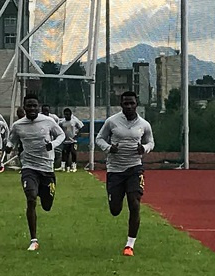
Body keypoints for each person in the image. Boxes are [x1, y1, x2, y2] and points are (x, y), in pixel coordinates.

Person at [96, 91, 155, 257]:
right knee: (115, 209)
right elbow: (99, 138)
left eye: (132, 103)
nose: (129, 106)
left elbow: (151, 141)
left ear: (136, 104)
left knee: (134, 203)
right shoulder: (112, 121)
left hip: (134, 168)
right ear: (121, 104)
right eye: (126, 103)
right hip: (115, 169)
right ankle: (115, 201)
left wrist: (144, 148)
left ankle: (130, 245)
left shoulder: (144, 124)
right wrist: (109, 148)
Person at [6, 94, 65, 251]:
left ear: (38, 107)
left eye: (34, 106)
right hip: (29, 167)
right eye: (28, 106)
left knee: (46, 205)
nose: (31, 109)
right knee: (31, 198)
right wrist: (9, 146)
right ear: (24, 108)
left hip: (46, 168)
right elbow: (12, 139)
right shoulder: (18, 125)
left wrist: (52, 145)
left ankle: (48, 190)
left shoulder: (48, 121)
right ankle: (34, 239)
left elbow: (61, 135)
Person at [58, 108, 84, 172]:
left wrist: (77, 135)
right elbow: (58, 129)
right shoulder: (62, 122)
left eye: (68, 114)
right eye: (65, 114)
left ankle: (74, 166)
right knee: (65, 153)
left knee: (73, 153)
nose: (66, 116)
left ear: (70, 114)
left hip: (73, 141)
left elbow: (81, 127)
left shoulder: (74, 121)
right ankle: (63, 166)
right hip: (65, 141)